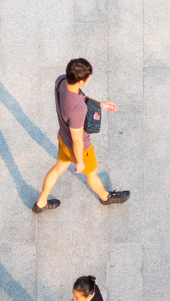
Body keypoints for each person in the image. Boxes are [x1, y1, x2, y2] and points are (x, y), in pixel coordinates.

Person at [32, 58, 130, 212]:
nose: (89, 78)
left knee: (57, 168)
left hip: (63, 139)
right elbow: (77, 140)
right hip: (80, 149)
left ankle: (41, 203)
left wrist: (98, 104)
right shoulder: (77, 109)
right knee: (92, 174)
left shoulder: (61, 81)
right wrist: (80, 162)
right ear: (81, 82)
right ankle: (106, 197)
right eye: (88, 77)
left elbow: (80, 98)